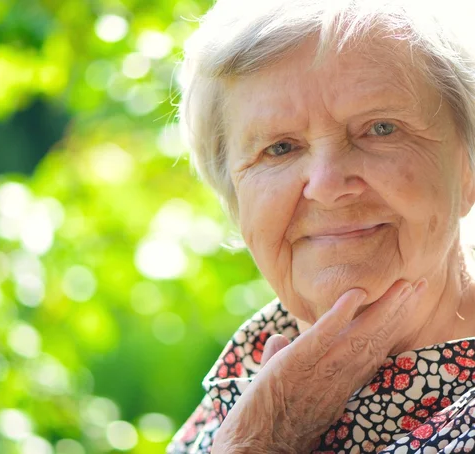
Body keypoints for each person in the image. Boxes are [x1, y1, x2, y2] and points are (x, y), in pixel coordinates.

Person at [166, 0, 475, 452]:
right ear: (235, 199)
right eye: (281, 147)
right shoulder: (239, 392)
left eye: (380, 129)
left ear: (467, 166)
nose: (327, 185)